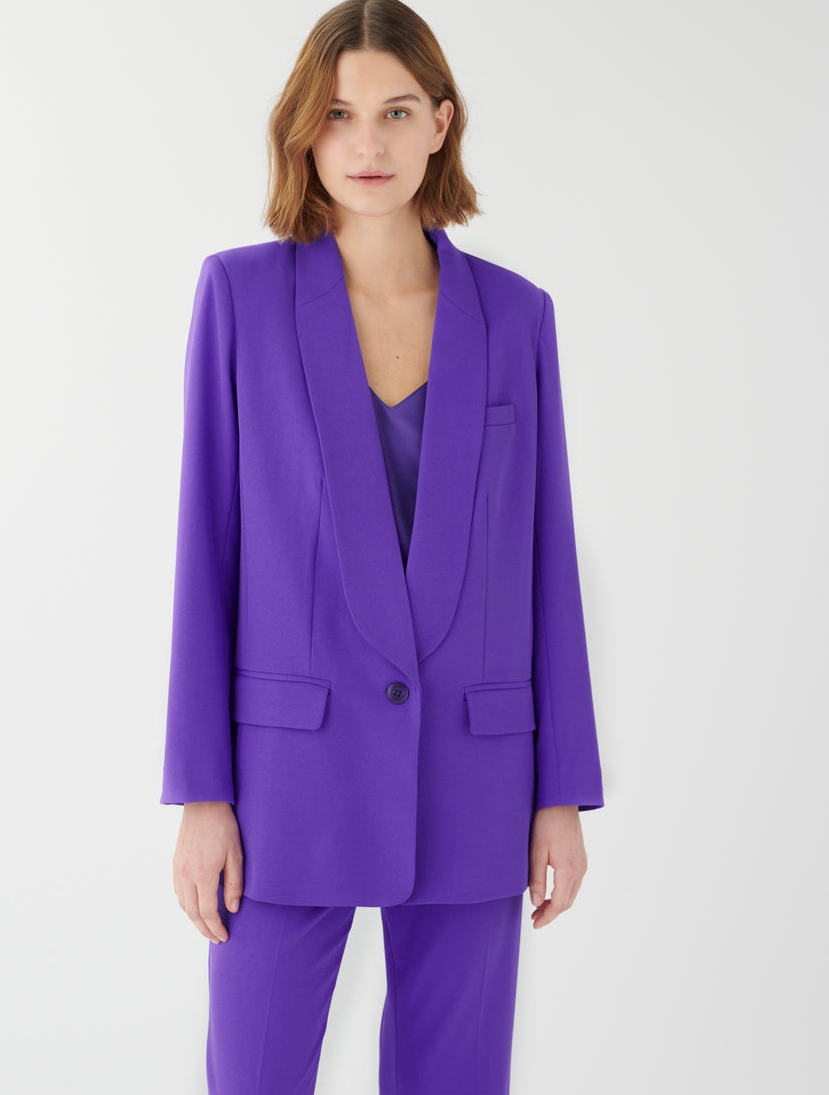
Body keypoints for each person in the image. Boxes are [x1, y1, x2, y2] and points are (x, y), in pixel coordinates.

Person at [160, 2, 606, 1092]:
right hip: (282, 781)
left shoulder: (516, 317)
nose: (367, 143)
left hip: (476, 775)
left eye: (397, 112)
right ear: (303, 131)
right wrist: (201, 795)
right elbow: (205, 553)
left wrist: (561, 791)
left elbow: (546, 562)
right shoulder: (240, 298)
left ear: (441, 124)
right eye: (339, 114)